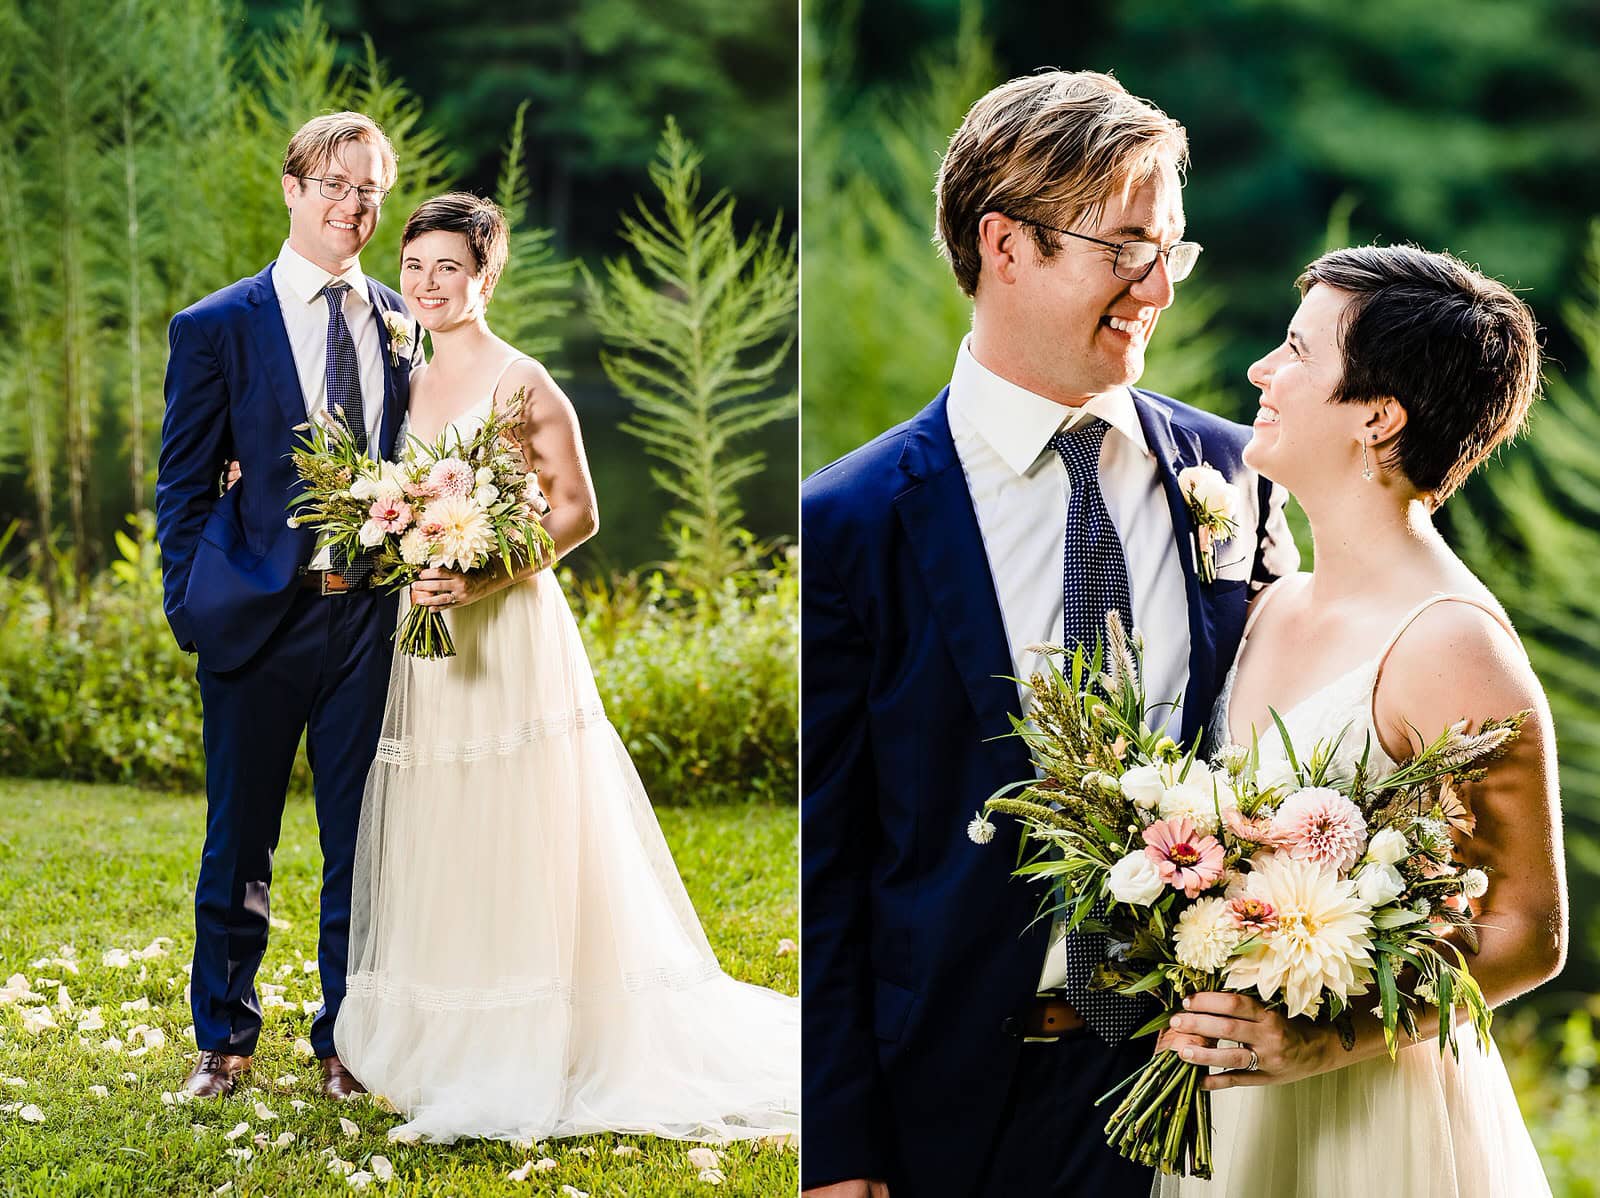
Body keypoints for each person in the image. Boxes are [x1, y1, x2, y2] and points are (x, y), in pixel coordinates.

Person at [800, 71, 1298, 1197]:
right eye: (1124, 246)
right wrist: (834, 1148)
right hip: (952, 1095)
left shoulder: (1237, 478)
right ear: (1005, 245)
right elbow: (819, 857)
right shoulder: (847, 521)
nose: (1157, 286)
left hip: (1201, 1091)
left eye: (1173, 248)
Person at [324, 192, 799, 1144]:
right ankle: (443, 1035)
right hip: (427, 639)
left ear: (486, 276)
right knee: (443, 820)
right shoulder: (401, 381)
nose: (427, 284)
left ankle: (537, 1031)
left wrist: (482, 572)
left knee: (516, 813)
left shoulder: (524, 381)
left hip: (506, 635)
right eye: (414, 267)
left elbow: (576, 511)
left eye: (448, 268)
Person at [1157, 245, 1564, 1198]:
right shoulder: (1274, 604)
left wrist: (1326, 1038)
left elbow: (1531, 929)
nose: (1263, 370)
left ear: (1377, 418)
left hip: (1370, 1115)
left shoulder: (1451, 642)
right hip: (1233, 1106)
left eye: (1297, 352)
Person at [156, 112, 418, 1102]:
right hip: (256, 618)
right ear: (293, 189)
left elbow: (419, 461)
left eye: (369, 191)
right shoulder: (216, 325)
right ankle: (222, 1040)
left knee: (364, 841)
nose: (353, 207)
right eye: (335, 186)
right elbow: (181, 487)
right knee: (241, 839)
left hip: (367, 620)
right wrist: (192, 605)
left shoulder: (400, 321)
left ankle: (345, 1042)